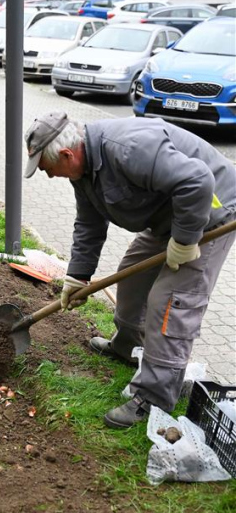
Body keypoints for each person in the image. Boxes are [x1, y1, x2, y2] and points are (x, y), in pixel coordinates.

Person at [24, 112, 236, 429]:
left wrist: (185, 240)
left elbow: (198, 181)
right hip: (168, 217)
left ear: (67, 154)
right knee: (132, 277)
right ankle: (127, 347)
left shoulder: (129, 147)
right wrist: (77, 276)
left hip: (210, 214)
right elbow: (89, 224)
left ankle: (154, 397)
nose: (50, 176)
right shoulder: (82, 172)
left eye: (48, 169)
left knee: (171, 303)